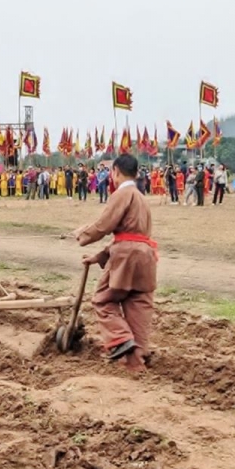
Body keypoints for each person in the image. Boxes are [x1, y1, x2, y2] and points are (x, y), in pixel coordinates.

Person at [70, 154, 157, 372]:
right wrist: (100, 256)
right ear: (137, 173)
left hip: (126, 257)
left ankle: (120, 339)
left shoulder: (122, 194)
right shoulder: (142, 199)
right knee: (138, 304)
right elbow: (133, 235)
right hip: (146, 258)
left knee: (103, 299)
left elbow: (104, 225)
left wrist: (83, 234)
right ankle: (137, 359)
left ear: (115, 171)